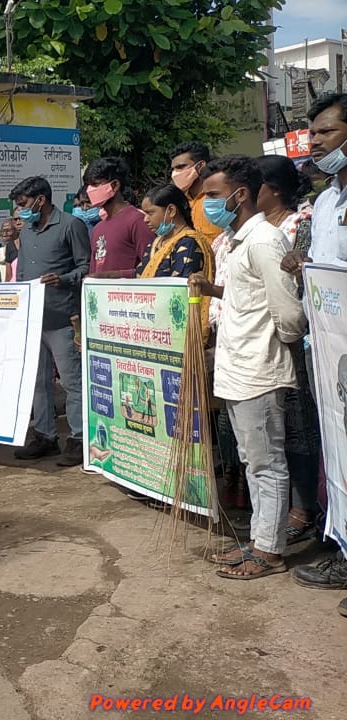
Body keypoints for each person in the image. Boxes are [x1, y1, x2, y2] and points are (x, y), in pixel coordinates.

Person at [188, 155, 306, 581]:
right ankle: (259, 541)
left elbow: (288, 314)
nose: (206, 204)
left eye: (213, 195)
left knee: (266, 464)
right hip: (238, 367)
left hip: (258, 369)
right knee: (252, 460)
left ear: (239, 195)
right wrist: (212, 289)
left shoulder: (263, 241)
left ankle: (269, 551)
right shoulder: (238, 241)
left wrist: (276, 348)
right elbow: (246, 296)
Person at [284, 93, 347, 611]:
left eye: (327, 132)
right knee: (338, 452)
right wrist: (301, 263)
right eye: (314, 134)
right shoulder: (325, 202)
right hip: (325, 347)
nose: (317, 142)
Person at [250, 154, 323, 549]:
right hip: (260, 339)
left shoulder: (301, 225)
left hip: (297, 337)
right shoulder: (249, 231)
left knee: (299, 426)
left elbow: (303, 283)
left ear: (273, 190)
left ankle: (304, 507)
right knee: (271, 432)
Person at [11, 176, 89, 466]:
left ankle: (79, 438)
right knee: (38, 381)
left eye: (23, 204)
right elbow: (21, 274)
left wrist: (63, 279)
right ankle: (45, 436)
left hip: (62, 317)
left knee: (71, 381)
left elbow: (85, 267)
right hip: (33, 319)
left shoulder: (70, 225)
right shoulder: (27, 232)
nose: (20, 211)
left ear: (40, 200)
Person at [85, 157, 156, 279]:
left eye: (95, 184)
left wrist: (114, 275)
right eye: (89, 185)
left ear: (115, 185)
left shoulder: (137, 221)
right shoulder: (98, 228)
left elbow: (153, 266)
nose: (90, 190)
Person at [135, 185, 212, 280]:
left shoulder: (188, 243)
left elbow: (180, 284)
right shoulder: (155, 243)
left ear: (171, 210)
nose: (145, 219)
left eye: (150, 213)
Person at [168, 141, 224, 246]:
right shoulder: (181, 202)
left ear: (200, 166)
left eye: (181, 166)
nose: (175, 173)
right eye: (174, 169)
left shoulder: (218, 199)